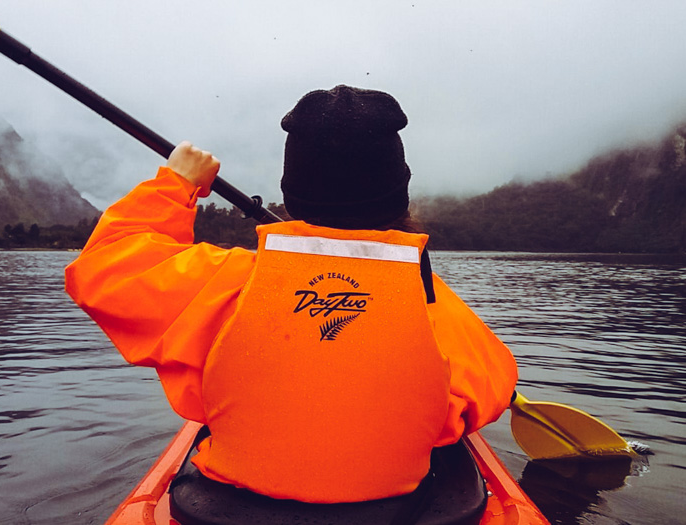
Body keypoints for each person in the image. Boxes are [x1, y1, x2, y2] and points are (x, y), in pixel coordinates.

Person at [65, 85, 517, 504]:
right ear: (400, 196)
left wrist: (175, 185)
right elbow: (494, 386)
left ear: (290, 195)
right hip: (391, 504)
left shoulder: (226, 282)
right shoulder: (431, 302)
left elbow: (103, 267)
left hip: (230, 504)